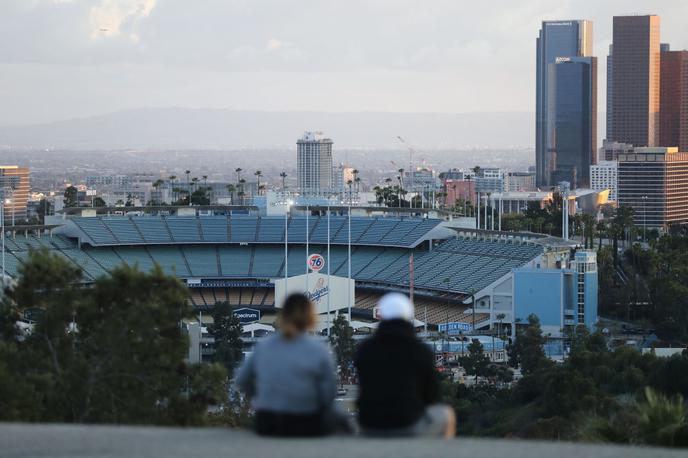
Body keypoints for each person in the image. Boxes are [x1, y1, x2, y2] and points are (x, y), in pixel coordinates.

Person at [355, 293, 456, 438]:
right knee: (447, 414)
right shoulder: (420, 350)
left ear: (381, 315)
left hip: (371, 423)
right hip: (408, 423)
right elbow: (431, 395)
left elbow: (362, 387)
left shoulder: (366, 348)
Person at [236, 293, 338, 436]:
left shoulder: (264, 346)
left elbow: (241, 380)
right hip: (306, 421)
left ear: (283, 315)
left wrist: (263, 396)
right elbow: (329, 393)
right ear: (310, 317)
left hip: (268, 421)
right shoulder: (319, 350)